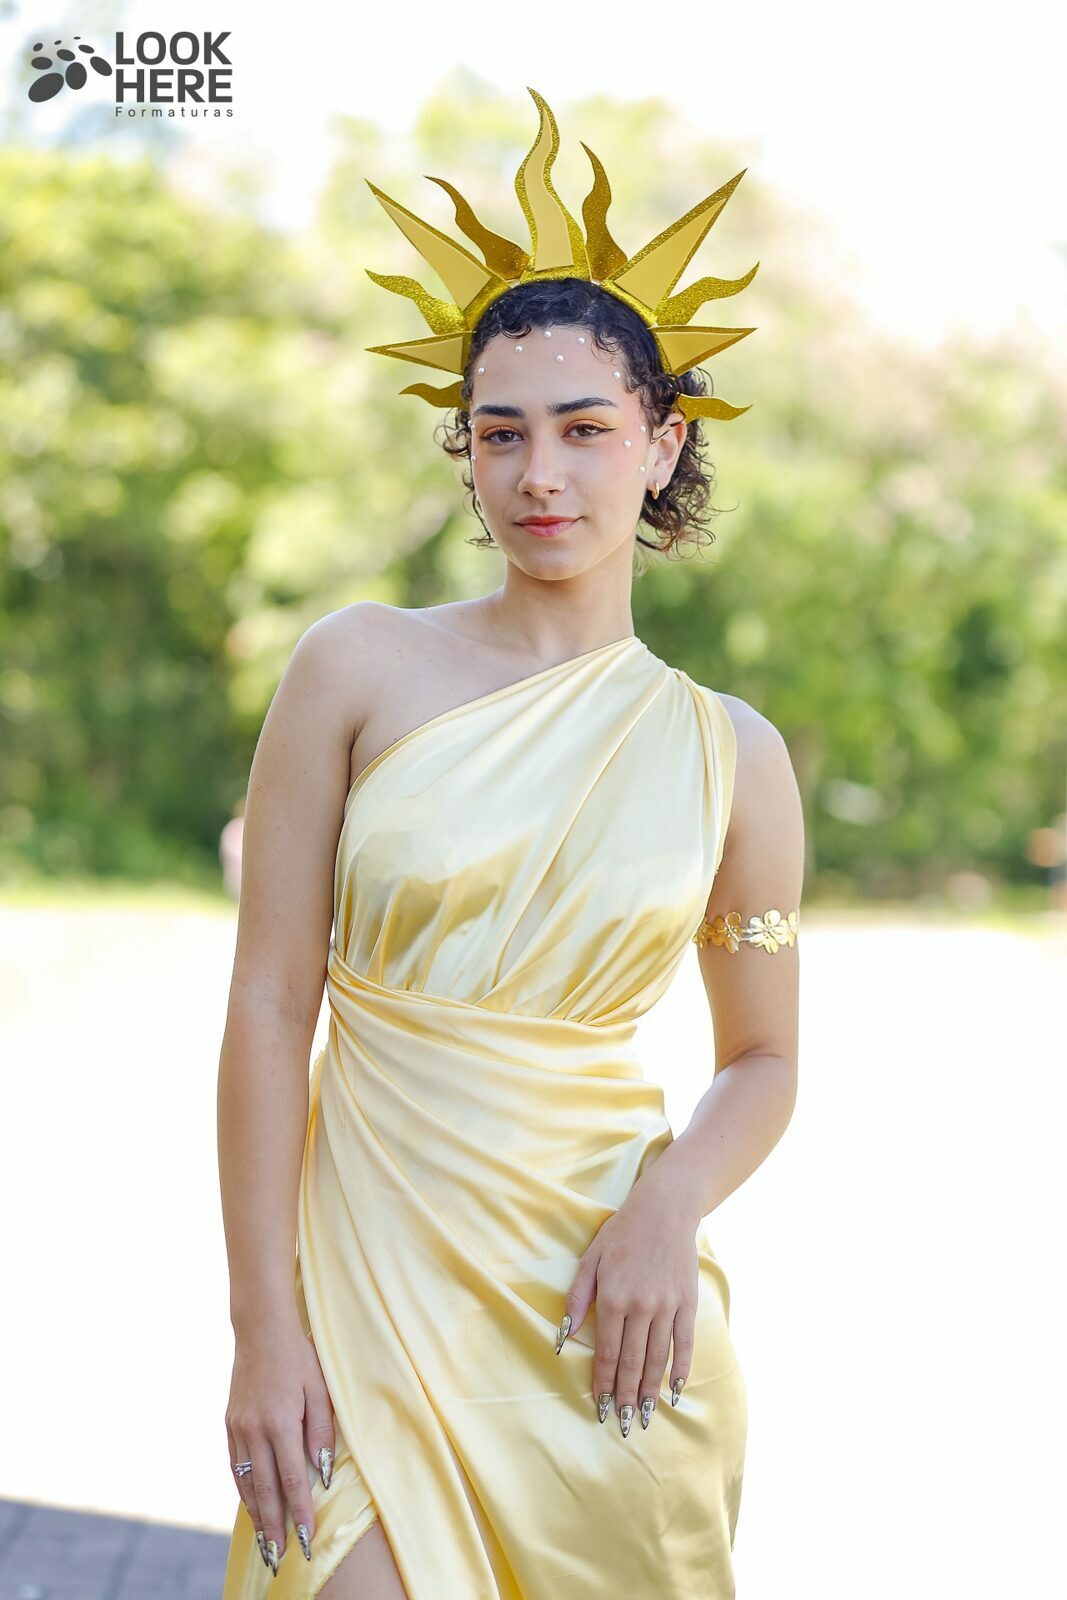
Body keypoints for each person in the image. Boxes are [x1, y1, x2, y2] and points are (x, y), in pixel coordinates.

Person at [217, 89, 803, 1599]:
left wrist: (670, 1206)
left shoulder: (731, 755)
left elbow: (762, 1059)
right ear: (467, 454)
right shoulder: (354, 667)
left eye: (587, 430)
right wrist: (263, 1328)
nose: (542, 474)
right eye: (502, 434)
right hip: (365, 1301)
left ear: (664, 444)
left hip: (607, 1325)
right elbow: (270, 1004)